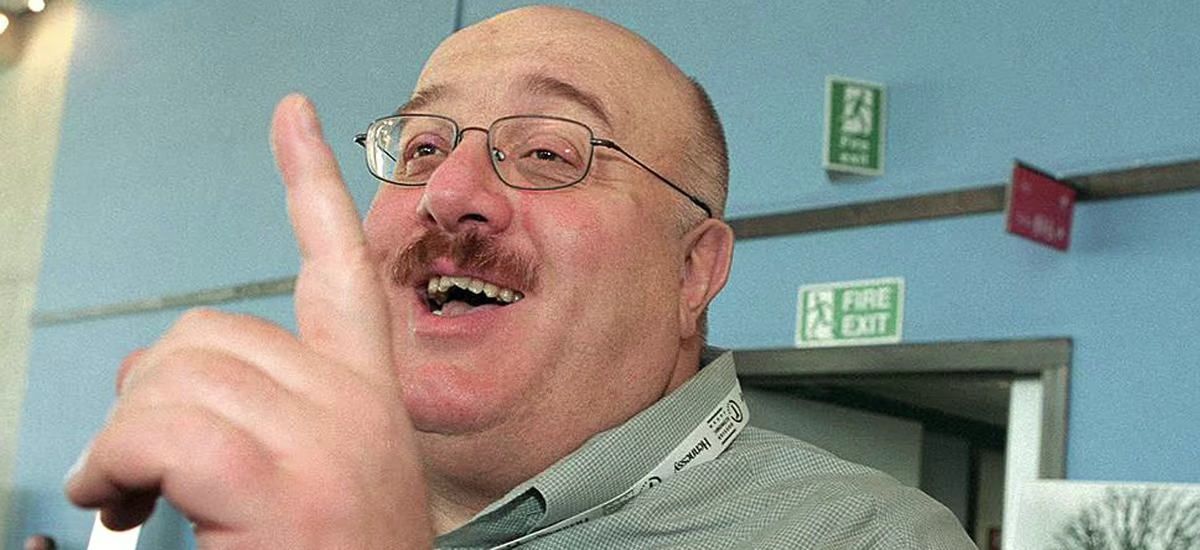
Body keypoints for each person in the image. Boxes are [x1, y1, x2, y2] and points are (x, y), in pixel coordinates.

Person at [65, 5, 975, 549]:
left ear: (693, 272)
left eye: (548, 152)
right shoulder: (254, 506)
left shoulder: (868, 540)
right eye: (422, 148)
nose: (449, 192)